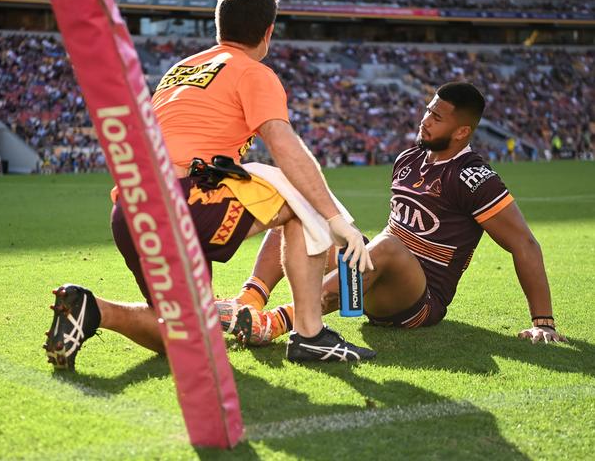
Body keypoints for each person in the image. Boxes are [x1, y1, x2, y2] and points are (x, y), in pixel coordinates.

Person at [44, 0, 375, 370]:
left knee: (191, 336)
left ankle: (95, 310)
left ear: (219, 27)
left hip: (131, 211)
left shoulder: (179, 70)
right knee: (302, 202)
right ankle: (309, 334)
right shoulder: (252, 71)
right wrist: (337, 221)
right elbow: (283, 144)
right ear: (268, 32)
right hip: (184, 202)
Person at [218, 82, 566, 347]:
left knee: (387, 246)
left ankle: (276, 323)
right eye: (428, 111)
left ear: (462, 132)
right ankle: (248, 300)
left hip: (420, 301)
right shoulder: (409, 158)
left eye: (437, 117)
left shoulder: (473, 177)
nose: (425, 121)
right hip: (377, 270)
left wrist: (543, 322)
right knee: (300, 215)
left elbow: (524, 243)